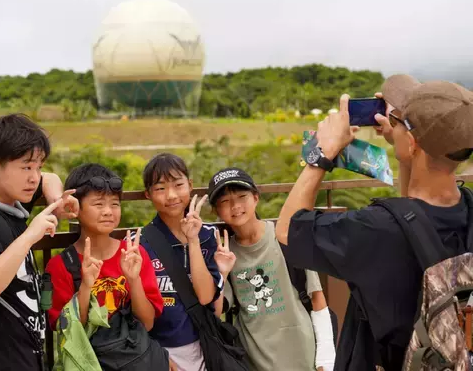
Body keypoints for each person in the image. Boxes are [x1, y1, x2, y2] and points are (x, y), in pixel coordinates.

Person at [275, 75, 473, 370]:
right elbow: (415, 213)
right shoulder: (464, 210)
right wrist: (405, 145)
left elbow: (287, 230)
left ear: (413, 142)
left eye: (398, 121)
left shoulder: (375, 229)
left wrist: (323, 152)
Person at [0, 113, 78, 371]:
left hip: (24, 354)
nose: (34, 177)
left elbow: (50, 178)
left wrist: (57, 202)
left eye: (37, 166)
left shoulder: (9, 202)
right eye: (26, 167)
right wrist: (30, 235)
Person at [208, 167, 336, 371]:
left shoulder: (283, 237)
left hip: (302, 356)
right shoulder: (225, 254)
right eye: (225, 201)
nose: (235, 206)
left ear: (255, 198)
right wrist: (221, 274)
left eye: (242, 196)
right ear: (216, 210)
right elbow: (216, 311)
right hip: (253, 361)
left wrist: (326, 360)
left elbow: (317, 299)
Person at [45, 163, 164, 332]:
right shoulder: (60, 266)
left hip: (131, 347)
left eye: (115, 204)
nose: (108, 211)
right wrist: (85, 287)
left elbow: (147, 323)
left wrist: (134, 280)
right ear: (74, 207)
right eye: (99, 204)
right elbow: (68, 330)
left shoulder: (133, 256)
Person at [140, 153, 223, 371]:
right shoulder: (140, 243)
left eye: (178, 185)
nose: (171, 195)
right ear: (148, 194)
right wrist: (156, 354)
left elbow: (206, 297)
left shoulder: (208, 235)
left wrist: (193, 239)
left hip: (205, 347)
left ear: (190, 185)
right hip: (160, 351)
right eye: (160, 188)